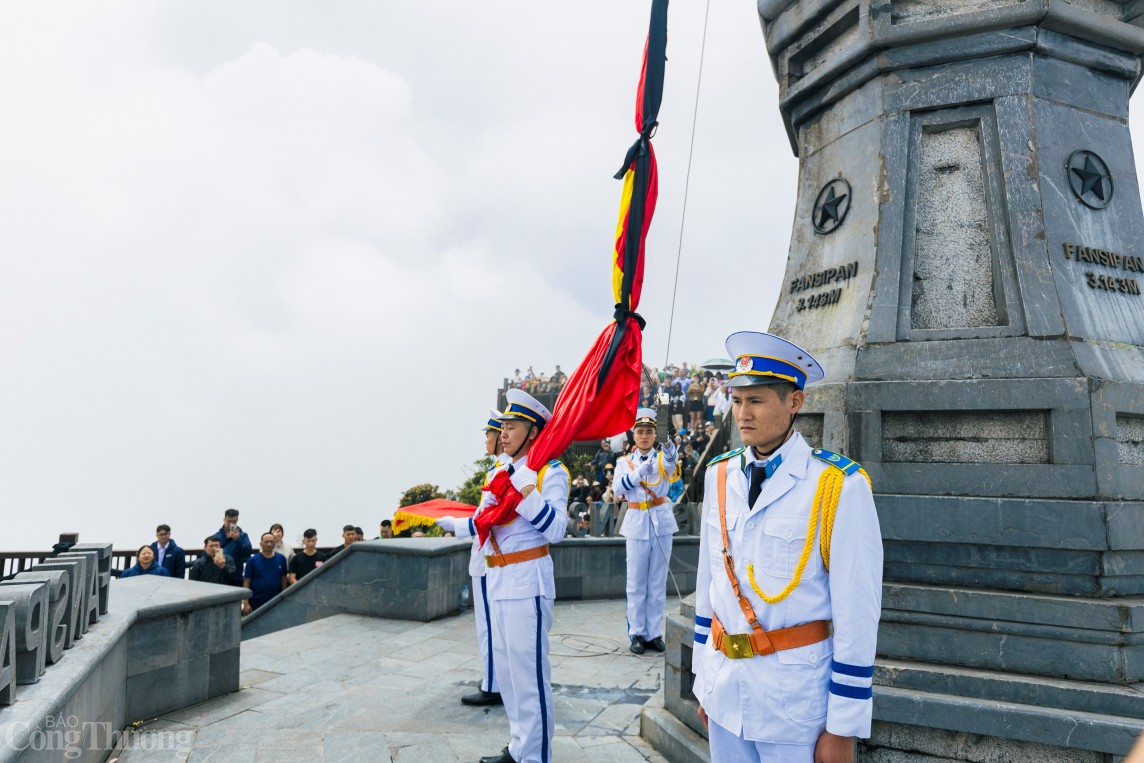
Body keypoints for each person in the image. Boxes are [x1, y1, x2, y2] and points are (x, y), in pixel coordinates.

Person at [693, 331, 883, 763]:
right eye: (737, 400)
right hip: (724, 690)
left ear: (794, 402)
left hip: (794, 703)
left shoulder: (837, 486)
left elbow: (857, 611)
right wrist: (704, 679)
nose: (742, 413)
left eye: (756, 401)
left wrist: (843, 726)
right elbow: (710, 588)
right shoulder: (720, 475)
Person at [438, 389, 570, 763]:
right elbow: (487, 521)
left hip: (528, 583)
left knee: (530, 679)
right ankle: (519, 746)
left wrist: (526, 488)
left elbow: (557, 530)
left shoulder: (548, 472)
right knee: (511, 678)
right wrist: (454, 525)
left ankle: (536, 757)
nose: (505, 433)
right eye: (504, 426)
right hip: (498, 579)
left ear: (533, 432)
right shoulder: (501, 471)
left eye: (512, 426)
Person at [612, 408, 679, 655]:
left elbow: (672, 463)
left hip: (661, 520)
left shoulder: (662, 457)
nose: (644, 436)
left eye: (649, 432)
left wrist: (667, 442)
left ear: (654, 435)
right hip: (637, 520)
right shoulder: (624, 462)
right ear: (633, 434)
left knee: (658, 581)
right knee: (636, 582)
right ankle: (637, 633)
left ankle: (654, 633)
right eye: (640, 431)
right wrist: (638, 473)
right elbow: (618, 488)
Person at [459, 409, 508, 708]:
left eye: (489, 434)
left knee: (489, 626)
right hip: (490, 556)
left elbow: (487, 518)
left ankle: (493, 685)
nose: (486, 440)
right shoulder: (497, 468)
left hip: (489, 558)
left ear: (500, 438)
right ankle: (497, 681)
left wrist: (456, 525)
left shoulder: (501, 471)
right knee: (492, 626)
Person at [242, 532, 288, 614]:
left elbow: (283, 578)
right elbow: (246, 581)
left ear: (274, 543)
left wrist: (284, 596)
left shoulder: (281, 559)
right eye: (266, 542)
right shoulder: (252, 560)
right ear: (261, 544)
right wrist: (246, 603)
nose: (269, 544)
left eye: (271, 542)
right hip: (256, 601)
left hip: (275, 601)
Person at [212, 509, 252, 586]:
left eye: (234, 522)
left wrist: (238, 540)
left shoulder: (243, 536)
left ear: (237, 521)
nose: (231, 524)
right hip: (218, 575)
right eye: (229, 521)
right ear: (224, 520)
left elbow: (247, 552)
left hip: (236, 576)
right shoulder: (217, 536)